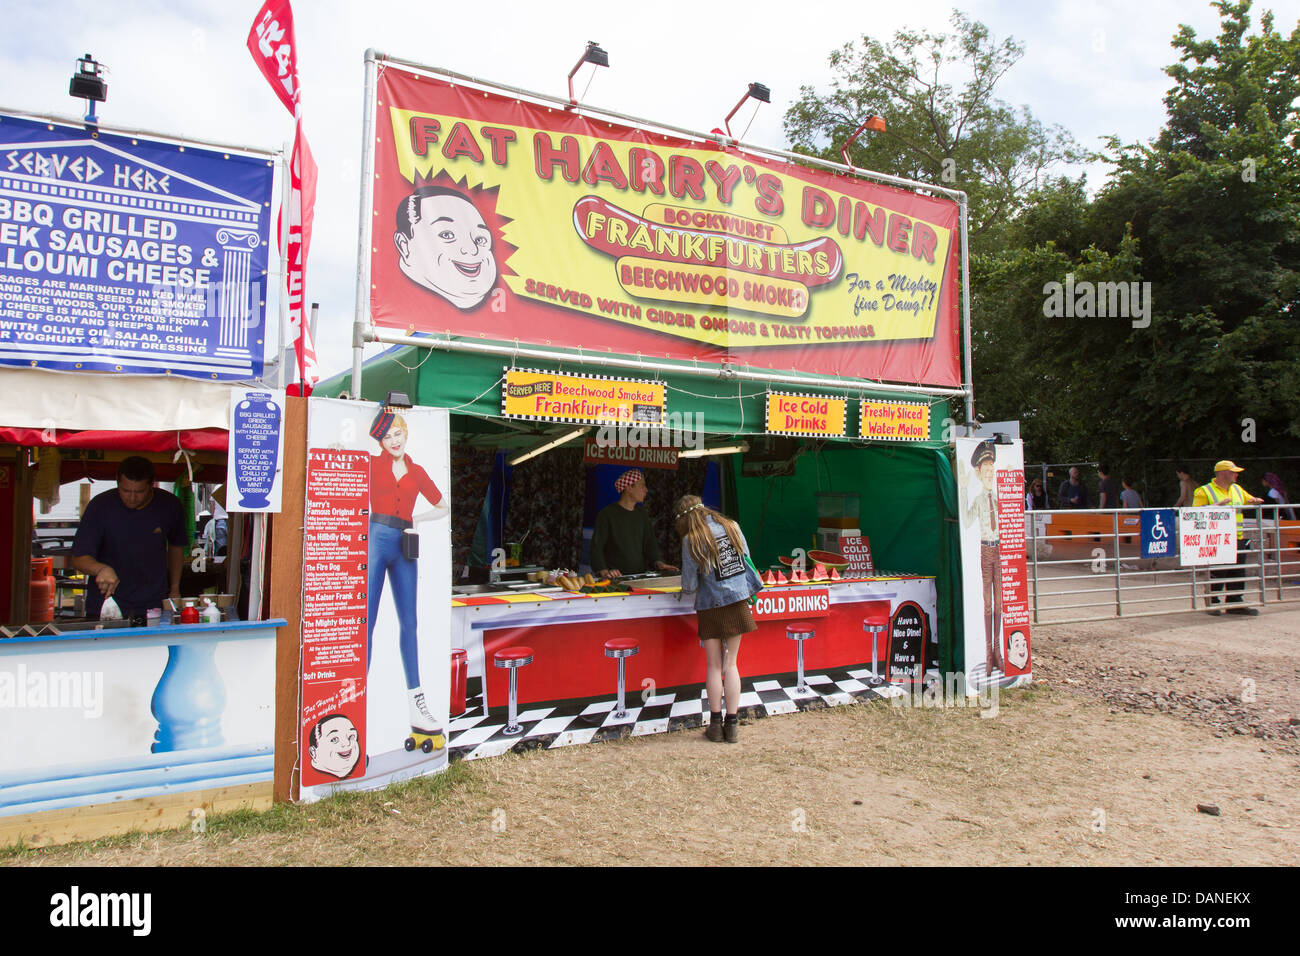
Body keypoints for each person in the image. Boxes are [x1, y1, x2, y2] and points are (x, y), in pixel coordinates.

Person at [367, 409, 450, 750]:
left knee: (409, 623)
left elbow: (443, 505)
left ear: (405, 432)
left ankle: (417, 703)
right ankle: (357, 697)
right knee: (366, 621)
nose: (394, 441)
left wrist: (417, 516)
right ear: (381, 442)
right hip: (374, 537)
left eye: (397, 433)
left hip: (404, 542)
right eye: (387, 437)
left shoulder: (417, 471)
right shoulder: (372, 465)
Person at [673, 495, 763, 743]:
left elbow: (690, 585)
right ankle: (732, 726)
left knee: (713, 665)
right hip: (737, 600)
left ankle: (714, 725)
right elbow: (746, 559)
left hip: (709, 605)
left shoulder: (690, 539)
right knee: (731, 664)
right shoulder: (732, 526)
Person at [71, 456, 185, 620]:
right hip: (106, 606)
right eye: (125, 491)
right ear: (117, 483)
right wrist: (101, 569)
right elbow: (79, 558)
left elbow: (176, 546)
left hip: (153, 604)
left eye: (139, 492)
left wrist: (175, 588)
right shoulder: (100, 506)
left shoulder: (170, 505)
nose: (132, 497)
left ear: (152, 484)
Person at [394, 185, 497, 310]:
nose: (472, 250)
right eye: (447, 235)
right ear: (404, 245)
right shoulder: (402, 309)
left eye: (479, 239)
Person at [1193, 460, 1265, 616]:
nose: (1237, 475)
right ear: (1223, 473)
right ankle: (1213, 602)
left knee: (1238, 571)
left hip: (1237, 537)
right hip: (1216, 538)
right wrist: (1217, 506)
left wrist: (1254, 501)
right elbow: (1195, 513)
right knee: (1219, 571)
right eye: (1233, 472)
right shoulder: (1203, 491)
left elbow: (1249, 499)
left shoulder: (1237, 489)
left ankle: (1235, 602)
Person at [590, 469, 679, 579]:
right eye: (642, 486)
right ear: (629, 488)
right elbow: (596, 548)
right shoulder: (607, 514)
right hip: (614, 580)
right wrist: (604, 571)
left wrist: (660, 563)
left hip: (639, 577)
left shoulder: (642, 514)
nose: (646, 490)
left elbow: (650, 544)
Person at [965, 441, 1003, 676]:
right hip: (985, 549)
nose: (989, 474)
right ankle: (989, 653)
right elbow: (968, 521)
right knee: (987, 600)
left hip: (999, 549)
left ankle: (997, 649)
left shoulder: (1000, 498)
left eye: (992, 470)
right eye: (985, 470)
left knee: (1000, 600)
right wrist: (962, 489)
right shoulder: (979, 500)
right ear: (979, 473)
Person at [308, 713, 362, 780]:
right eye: (334, 739)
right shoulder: (313, 781)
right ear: (313, 752)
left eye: (351, 736)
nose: (347, 743)